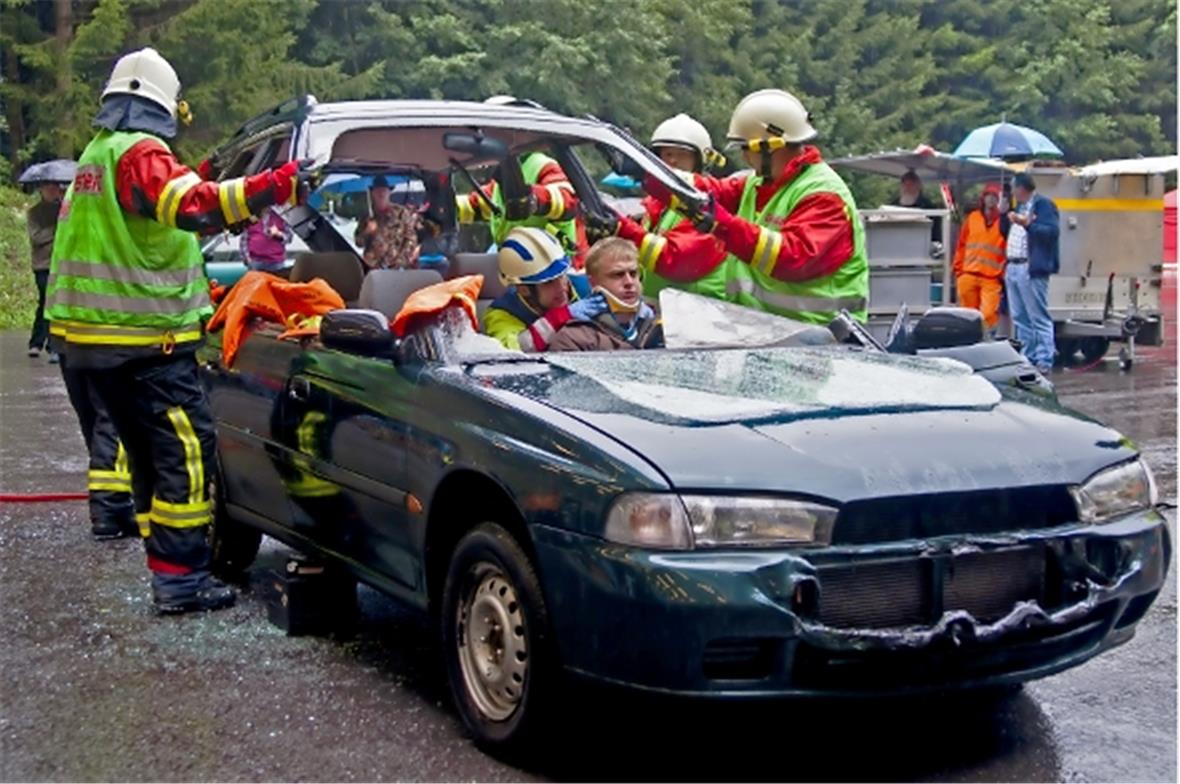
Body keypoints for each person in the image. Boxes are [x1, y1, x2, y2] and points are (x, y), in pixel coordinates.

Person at [46, 47, 312, 615]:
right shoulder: (141, 154)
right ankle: (181, 581)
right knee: (187, 453)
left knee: (145, 456)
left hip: (92, 344)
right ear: (164, 108)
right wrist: (275, 185)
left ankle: (168, 569)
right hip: (145, 345)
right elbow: (192, 207)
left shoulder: (98, 156)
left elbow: (148, 228)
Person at [636, 88, 869, 325]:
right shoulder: (759, 182)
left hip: (821, 336)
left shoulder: (823, 195)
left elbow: (792, 258)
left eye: (747, 148)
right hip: (772, 331)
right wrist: (647, 173)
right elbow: (709, 189)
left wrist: (723, 225)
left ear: (770, 147)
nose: (745, 157)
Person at [591, 113, 729, 303]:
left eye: (682, 155)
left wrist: (622, 228)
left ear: (699, 161)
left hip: (700, 315)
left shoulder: (709, 206)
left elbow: (675, 260)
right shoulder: (656, 205)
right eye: (667, 154)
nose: (672, 161)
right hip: (667, 311)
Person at [455, 96, 584, 258]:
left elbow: (568, 200)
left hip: (551, 266)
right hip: (517, 263)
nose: (485, 138)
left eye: (491, 131)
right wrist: (437, 208)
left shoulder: (541, 165)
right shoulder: (503, 178)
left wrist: (534, 200)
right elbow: (476, 205)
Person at [482, 226, 598, 352]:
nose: (561, 287)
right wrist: (557, 319)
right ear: (523, 289)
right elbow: (511, 352)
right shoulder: (502, 313)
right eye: (548, 282)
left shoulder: (589, 287)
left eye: (562, 276)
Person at [549, 238, 661, 351]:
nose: (629, 282)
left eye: (633, 274)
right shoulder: (573, 338)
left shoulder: (660, 326)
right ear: (593, 283)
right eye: (617, 275)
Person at [1003, 171, 1060, 372]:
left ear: (1021, 188)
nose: (1011, 192)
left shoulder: (1043, 205)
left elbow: (1051, 232)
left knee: (1038, 315)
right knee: (1020, 316)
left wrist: (1028, 223)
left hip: (1031, 266)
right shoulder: (1019, 207)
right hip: (1013, 265)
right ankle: (1028, 356)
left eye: (1013, 187)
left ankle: (1045, 358)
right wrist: (1006, 216)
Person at [952, 182, 1006, 330]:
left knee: (988, 314)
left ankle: (984, 340)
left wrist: (1003, 274)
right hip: (968, 274)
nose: (991, 200)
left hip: (991, 278)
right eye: (988, 196)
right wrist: (958, 271)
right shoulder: (972, 218)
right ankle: (969, 341)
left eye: (995, 197)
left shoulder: (1004, 222)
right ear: (983, 198)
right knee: (967, 314)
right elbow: (961, 245)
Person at [26, 180, 66, 361]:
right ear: (41, 190)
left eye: (55, 187)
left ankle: (51, 345)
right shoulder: (34, 212)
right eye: (48, 188)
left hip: (60, 263)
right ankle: (37, 342)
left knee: (54, 302)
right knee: (45, 300)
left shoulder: (65, 208)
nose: (52, 191)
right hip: (42, 264)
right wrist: (55, 229)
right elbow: (36, 237)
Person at [354, 175, 422, 270]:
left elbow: (411, 239)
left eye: (384, 190)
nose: (381, 194)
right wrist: (367, 231)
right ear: (372, 193)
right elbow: (358, 243)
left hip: (398, 268)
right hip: (374, 268)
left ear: (389, 192)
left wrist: (399, 262)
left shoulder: (401, 213)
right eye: (378, 191)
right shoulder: (367, 217)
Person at [892, 169, 943, 246]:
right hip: (897, 245)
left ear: (918, 186)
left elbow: (936, 234)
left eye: (911, 185)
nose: (907, 188)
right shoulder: (893, 205)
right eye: (905, 185)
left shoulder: (929, 207)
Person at [240, 205, 291, 273]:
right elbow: (244, 239)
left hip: (276, 262)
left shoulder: (281, 217)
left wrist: (279, 234)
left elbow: (289, 237)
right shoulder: (251, 218)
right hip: (255, 261)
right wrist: (247, 259)